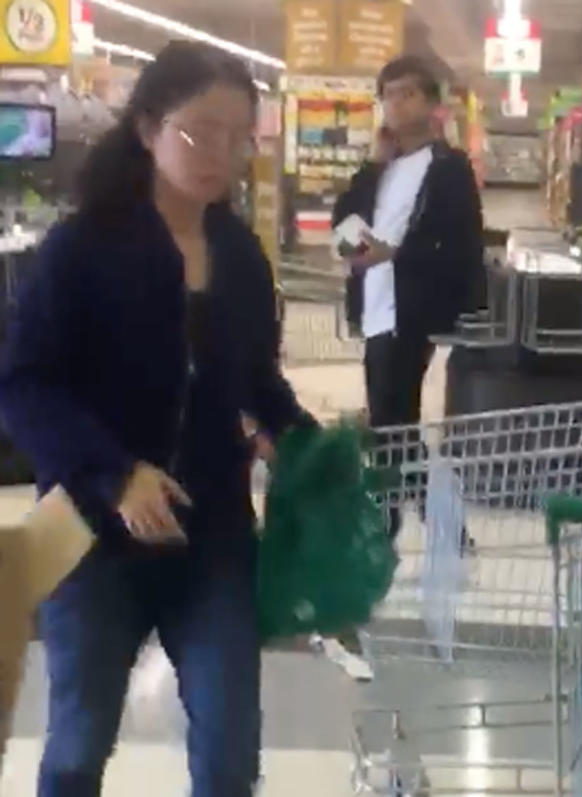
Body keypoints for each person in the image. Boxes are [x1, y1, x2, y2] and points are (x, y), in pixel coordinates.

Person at [0, 41, 310, 796]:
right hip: (95, 539)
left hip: (214, 541)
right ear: (148, 128)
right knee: (77, 744)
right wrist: (114, 473)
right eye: (201, 131)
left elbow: (253, 378)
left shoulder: (239, 254)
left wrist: (300, 436)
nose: (222, 154)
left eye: (240, 137)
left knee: (231, 751)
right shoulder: (81, 249)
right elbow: (23, 383)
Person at [333, 54, 484, 486]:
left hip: (413, 310)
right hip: (376, 308)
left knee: (391, 420)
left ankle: (395, 513)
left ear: (432, 103)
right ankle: (431, 510)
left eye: (407, 94)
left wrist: (395, 254)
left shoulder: (448, 168)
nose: (396, 104)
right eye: (389, 96)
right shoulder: (382, 169)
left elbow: (462, 243)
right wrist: (373, 164)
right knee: (391, 422)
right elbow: (343, 223)